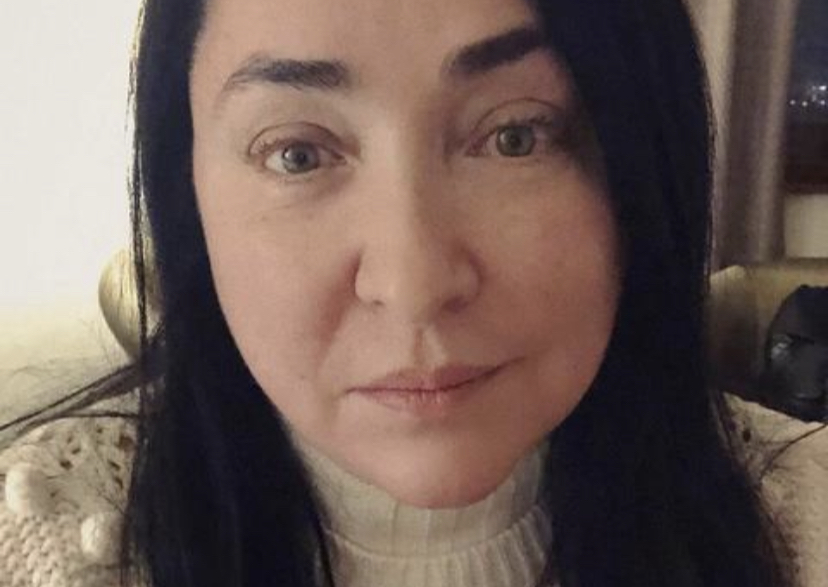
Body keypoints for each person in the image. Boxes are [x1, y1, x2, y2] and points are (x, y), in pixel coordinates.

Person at [1, 0, 825, 585]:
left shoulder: (809, 522)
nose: (414, 284)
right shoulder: (36, 547)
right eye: (297, 154)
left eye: (516, 136)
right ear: (188, 197)